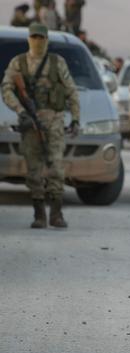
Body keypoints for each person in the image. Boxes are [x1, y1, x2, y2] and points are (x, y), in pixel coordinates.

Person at [1, 23, 80, 228]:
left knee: (56, 166)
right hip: (30, 122)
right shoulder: (18, 63)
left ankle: (56, 213)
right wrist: (21, 111)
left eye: (41, 37)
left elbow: (71, 91)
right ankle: (39, 214)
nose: (37, 41)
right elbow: (7, 89)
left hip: (54, 120)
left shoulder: (57, 62)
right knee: (34, 169)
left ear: (47, 39)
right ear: (29, 38)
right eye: (34, 37)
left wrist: (76, 119)